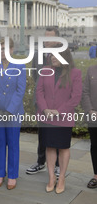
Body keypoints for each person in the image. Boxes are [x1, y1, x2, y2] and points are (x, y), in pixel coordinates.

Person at [36, 47, 82, 194]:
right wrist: (45, 109)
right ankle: (51, 178)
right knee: (49, 147)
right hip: (46, 116)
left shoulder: (75, 73)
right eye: (51, 55)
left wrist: (58, 111)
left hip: (63, 117)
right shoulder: (45, 70)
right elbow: (39, 91)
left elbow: (75, 97)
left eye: (55, 56)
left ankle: (61, 177)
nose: (52, 58)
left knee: (63, 147)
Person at [0, 37, 26, 190]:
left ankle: (13, 175)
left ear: (12, 50)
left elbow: (20, 91)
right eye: (0, 49)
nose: (3, 52)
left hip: (13, 113)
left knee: (13, 144)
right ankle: (0, 173)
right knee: (0, 143)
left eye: (6, 48)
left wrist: (9, 111)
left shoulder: (20, 66)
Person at [26, 27, 60, 176]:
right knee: (42, 133)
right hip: (41, 100)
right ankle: (41, 162)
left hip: (58, 102)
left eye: (50, 38)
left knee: (58, 132)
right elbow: (35, 75)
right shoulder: (37, 54)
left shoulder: (62, 55)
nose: (46, 41)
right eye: (45, 37)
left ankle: (58, 165)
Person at [80, 60, 97, 189]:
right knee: (95, 146)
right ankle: (96, 175)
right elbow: (85, 92)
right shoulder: (91, 70)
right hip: (94, 116)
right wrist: (90, 110)